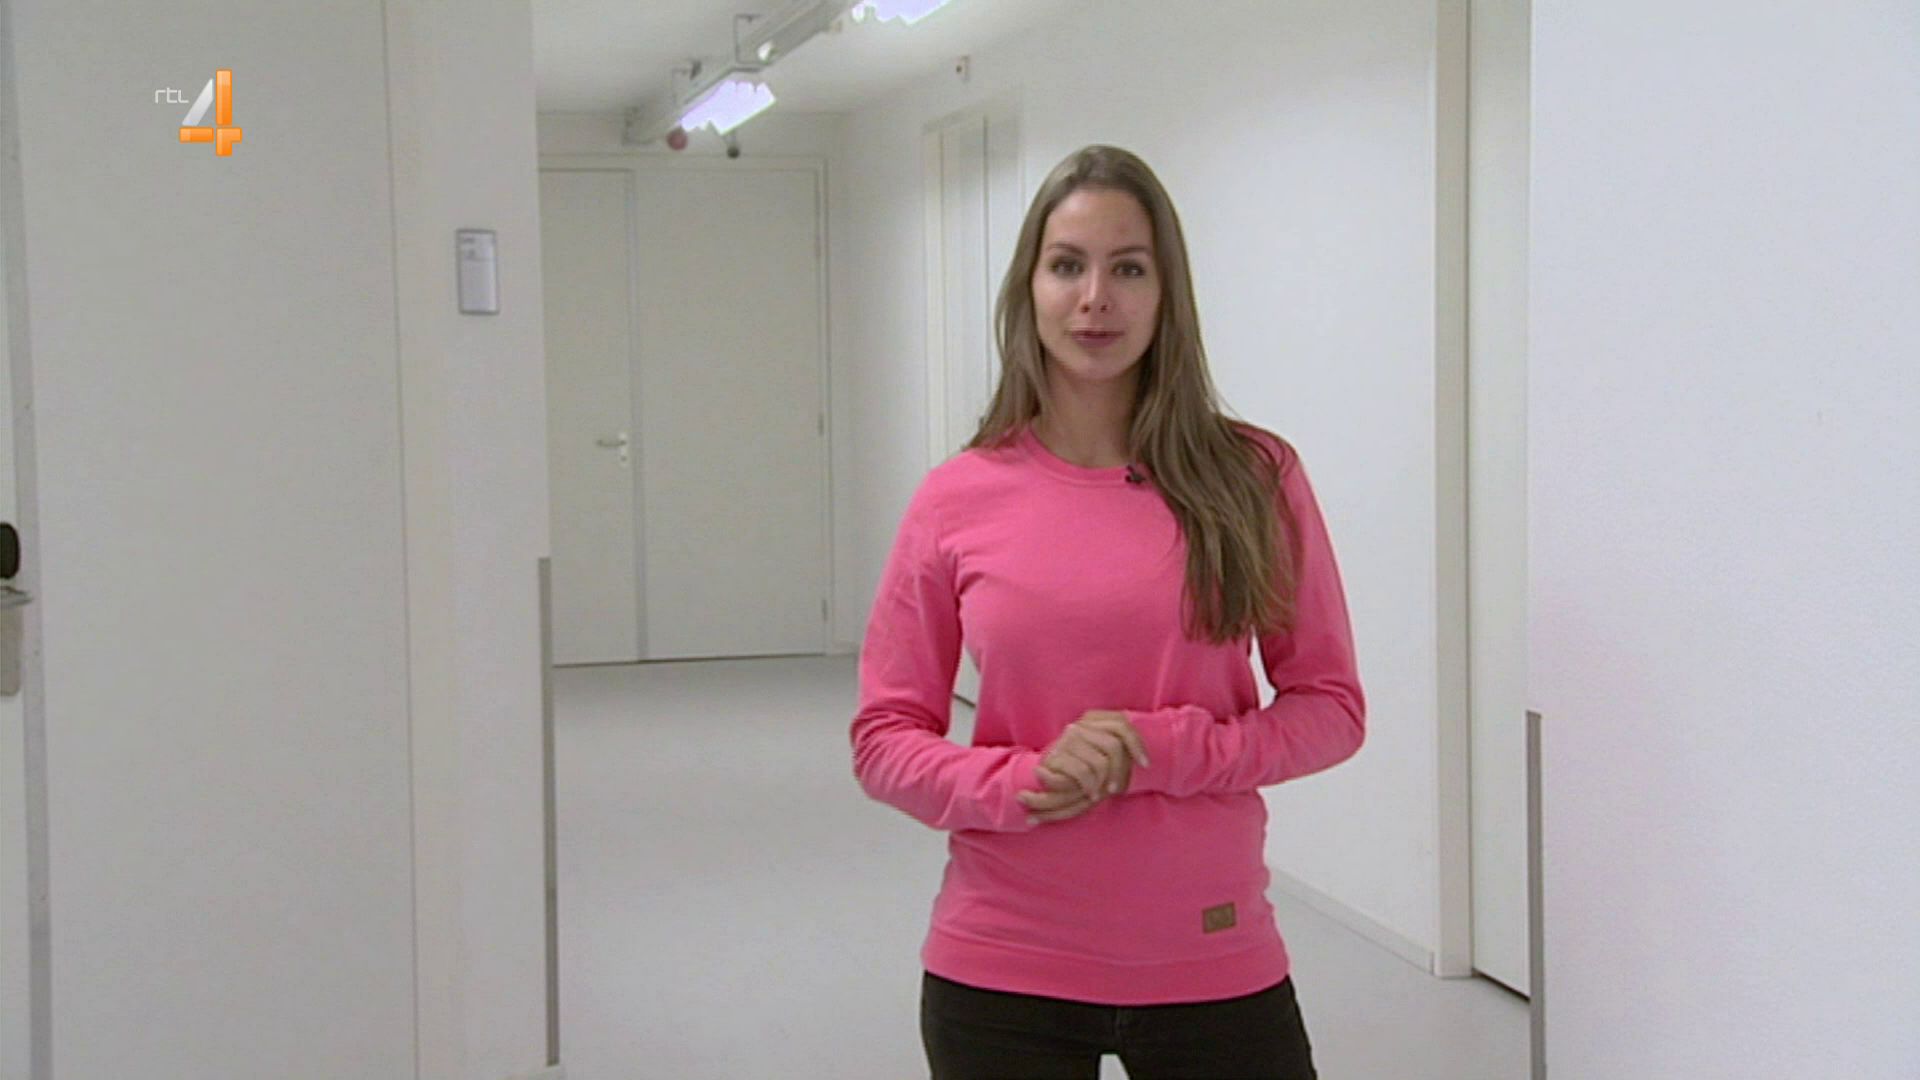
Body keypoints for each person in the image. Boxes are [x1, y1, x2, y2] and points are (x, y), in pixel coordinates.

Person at [849, 144, 1366, 1080]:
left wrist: (1164, 749)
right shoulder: (956, 497)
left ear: (1168, 295)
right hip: (1000, 969)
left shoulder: (1253, 477)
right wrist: (1025, 780)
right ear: (1029, 289)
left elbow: (1331, 709)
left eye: (1128, 269)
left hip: (1211, 955)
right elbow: (884, 739)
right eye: (1067, 266)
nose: (1096, 299)